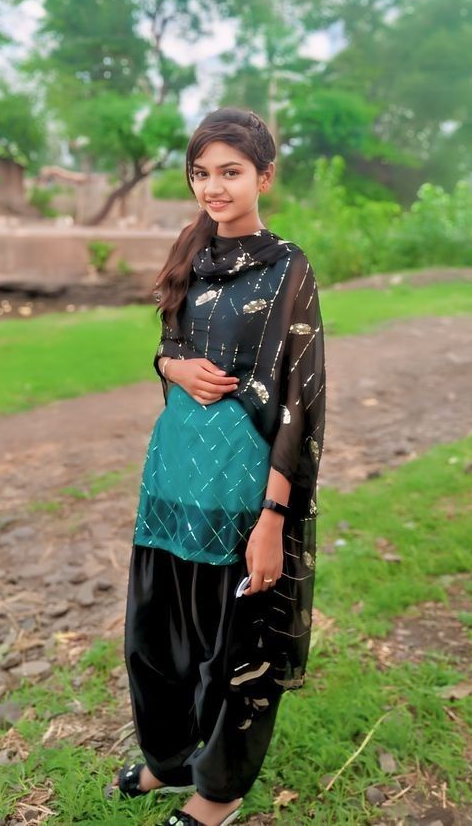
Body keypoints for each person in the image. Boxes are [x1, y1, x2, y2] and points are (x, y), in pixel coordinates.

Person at [106, 107, 327, 826]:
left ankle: (218, 792)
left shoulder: (289, 266)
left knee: (233, 647)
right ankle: (171, 763)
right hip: (173, 479)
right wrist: (173, 363)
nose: (213, 187)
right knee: (153, 636)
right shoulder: (190, 251)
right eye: (202, 172)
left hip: (241, 489)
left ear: (265, 175)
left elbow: (302, 399)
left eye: (230, 172)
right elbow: (166, 347)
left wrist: (273, 517)